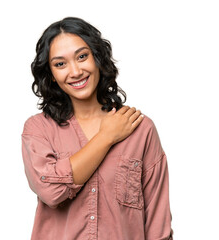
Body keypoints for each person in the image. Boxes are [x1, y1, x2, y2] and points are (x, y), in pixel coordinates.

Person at [21, 17, 173, 240]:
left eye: (82, 57)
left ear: (98, 59)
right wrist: (107, 137)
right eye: (60, 64)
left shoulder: (140, 129)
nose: (75, 71)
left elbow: (157, 224)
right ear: (51, 76)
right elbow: (52, 192)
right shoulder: (38, 129)